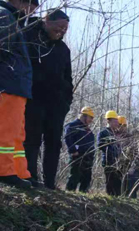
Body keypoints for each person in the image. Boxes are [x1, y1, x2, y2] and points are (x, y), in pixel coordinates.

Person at [23, 8, 72, 190]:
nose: (61, 32)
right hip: (33, 99)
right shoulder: (29, 37)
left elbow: (68, 78)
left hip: (57, 104)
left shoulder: (63, 50)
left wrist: (66, 102)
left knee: (53, 143)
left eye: (64, 30)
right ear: (46, 21)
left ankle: (50, 184)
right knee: (32, 139)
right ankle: (30, 178)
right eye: (58, 27)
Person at [0, 0, 38, 189]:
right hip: (7, 84)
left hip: (16, 87)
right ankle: (4, 171)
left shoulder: (11, 19)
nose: (30, 14)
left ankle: (19, 172)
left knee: (16, 133)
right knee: (6, 132)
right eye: (30, 9)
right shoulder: (4, 16)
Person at [63, 107, 95, 192]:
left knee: (86, 179)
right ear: (84, 116)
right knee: (74, 177)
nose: (91, 120)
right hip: (77, 156)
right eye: (90, 117)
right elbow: (68, 138)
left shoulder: (88, 130)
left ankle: (84, 196)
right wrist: (73, 151)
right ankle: (69, 194)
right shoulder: (72, 126)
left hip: (88, 158)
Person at [97, 110, 122, 195]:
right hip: (108, 161)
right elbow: (100, 145)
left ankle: (118, 199)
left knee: (118, 182)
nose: (116, 123)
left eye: (117, 121)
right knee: (110, 181)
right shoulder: (103, 133)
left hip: (117, 161)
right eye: (114, 121)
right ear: (108, 121)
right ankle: (110, 197)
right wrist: (109, 145)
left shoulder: (116, 134)